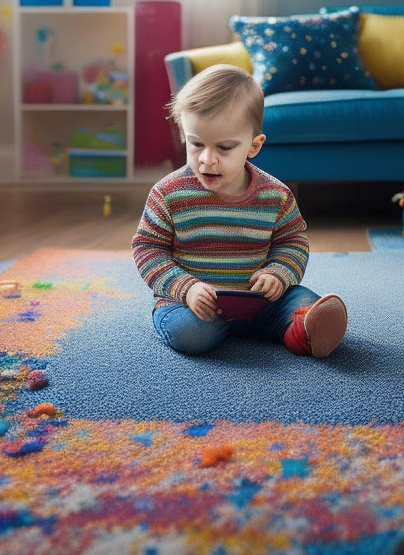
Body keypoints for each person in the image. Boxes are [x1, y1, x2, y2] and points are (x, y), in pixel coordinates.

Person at [132, 63, 347, 358]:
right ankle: (259, 330)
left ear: (254, 146)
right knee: (190, 332)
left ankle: (302, 330)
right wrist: (186, 288)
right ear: (184, 134)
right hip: (192, 303)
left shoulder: (276, 195)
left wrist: (279, 273)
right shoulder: (168, 194)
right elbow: (148, 250)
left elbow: (293, 242)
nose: (207, 159)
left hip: (261, 301)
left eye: (224, 148)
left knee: (303, 301)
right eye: (196, 144)